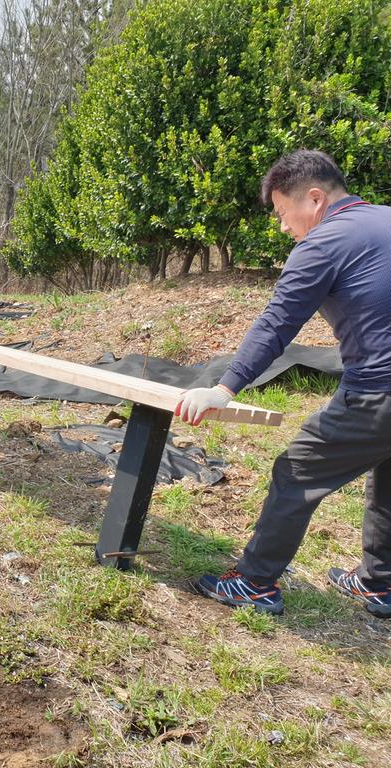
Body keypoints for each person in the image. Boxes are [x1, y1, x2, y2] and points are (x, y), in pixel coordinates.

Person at [176, 149, 391, 618]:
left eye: (281, 212)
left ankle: (253, 583)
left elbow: (277, 323)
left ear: (314, 199)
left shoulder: (326, 241)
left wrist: (224, 387)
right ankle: (380, 584)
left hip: (380, 390)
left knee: (297, 472)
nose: (281, 226)